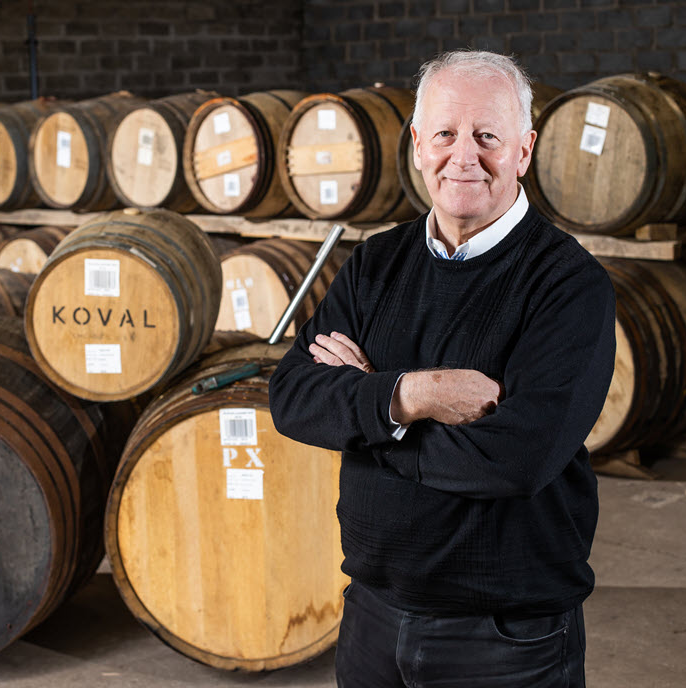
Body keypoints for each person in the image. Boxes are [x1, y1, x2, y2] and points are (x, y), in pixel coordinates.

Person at [269, 50, 616, 687]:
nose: (464, 156)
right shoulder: (376, 264)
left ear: (524, 149)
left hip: (506, 634)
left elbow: (517, 460)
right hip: (372, 610)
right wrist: (412, 396)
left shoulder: (568, 286)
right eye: (446, 134)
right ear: (417, 143)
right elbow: (292, 396)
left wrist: (372, 417)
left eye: (488, 136)